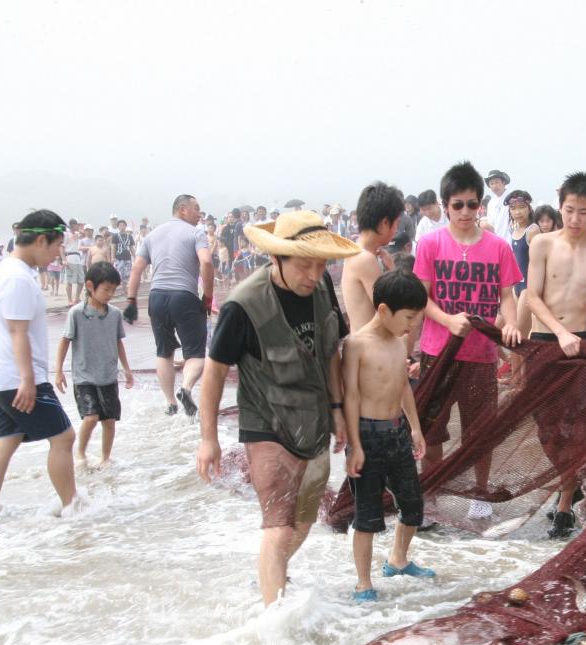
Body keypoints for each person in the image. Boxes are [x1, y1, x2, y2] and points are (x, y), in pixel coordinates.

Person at [196, 211, 356, 606]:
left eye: (321, 265)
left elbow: (333, 352)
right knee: (279, 526)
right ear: (276, 259)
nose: (314, 275)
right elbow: (214, 374)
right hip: (265, 422)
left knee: (303, 522)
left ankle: (269, 576)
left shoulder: (322, 290)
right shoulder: (243, 306)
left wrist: (337, 410)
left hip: (313, 417)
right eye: (304, 265)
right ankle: (274, 623)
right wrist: (208, 439)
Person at [414, 161, 522, 520]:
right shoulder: (430, 245)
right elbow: (422, 297)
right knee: (432, 433)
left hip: (481, 355)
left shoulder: (498, 248)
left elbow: (508, 295)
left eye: (472, 204)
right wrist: (446, 319)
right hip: (436, 353)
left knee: (480, 430)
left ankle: (480, 493)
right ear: (445, 205)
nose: (464, 212)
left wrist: (508, 322)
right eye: (457, 204)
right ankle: (430, 492)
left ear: (481, 206)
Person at [0, 210, 77, 522]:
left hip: (0, 378)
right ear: (40, 240)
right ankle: (73, 507)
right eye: (56, 246)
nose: (56, 254)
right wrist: (28, 380)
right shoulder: (17, 278)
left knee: (2, 446)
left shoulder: (4, 272)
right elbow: (16, 332)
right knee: (64, 439)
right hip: (19, 378)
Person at [521, 172, 586, 539]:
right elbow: (533, 296)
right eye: (569, 210)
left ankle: (563, 506)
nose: (574, 219)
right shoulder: (542, 243)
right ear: (560, 206)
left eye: (583, 212)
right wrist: (558, 333)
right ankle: (570, 481)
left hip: (580, 345)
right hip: (544, 340)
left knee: (575, 425)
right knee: (545, 426)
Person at [343, 269, 433, 602]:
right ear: (383, 310)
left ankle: (398, 559)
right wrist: (354, 446)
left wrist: (415, 427)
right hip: (367, 436)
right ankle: (363, 583)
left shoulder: (399, 342)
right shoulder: (356, 345)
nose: (412, 325)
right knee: (366, 516)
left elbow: (403, 387)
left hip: (397, 434)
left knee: (413, 505)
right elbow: (350, 396)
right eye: (408, 317)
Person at [124, 194, 215, 416]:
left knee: (163, 352)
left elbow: (137, 268)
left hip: (156, 297)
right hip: (184, 296)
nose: (199, 214)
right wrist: (208, 297)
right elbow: (206, 261)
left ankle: (170, 404)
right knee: (195, 354)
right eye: (196, 209)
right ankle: (185, 388)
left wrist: (131, 301)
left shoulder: (153, 235)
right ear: (182, 209)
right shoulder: (196, 233)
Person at [54, 262, 134, 467]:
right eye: (106, 289)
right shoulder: (77, 313)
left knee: (109, 421)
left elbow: (118, 342)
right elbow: (64, 341)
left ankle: (105, 458)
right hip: (84, 376)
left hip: (108, 375)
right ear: (90, 286)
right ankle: (80, 454)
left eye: (113, 290)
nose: (110, 294)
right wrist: (58, 371)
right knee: (90, 418)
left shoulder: (115, 314)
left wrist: (127, 369)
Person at [341, 181, 403, 330]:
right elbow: (390, 311)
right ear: (384, 223)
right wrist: (393, 269)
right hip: (369, 349)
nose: (396, 230)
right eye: (396, 223)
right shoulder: (365, 259)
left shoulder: (357, 250)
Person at [506, 189, 539, 295]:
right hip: (517, 284)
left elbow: (539, 263)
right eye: (513, 208)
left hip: (529, 287)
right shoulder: (515, 230)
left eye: (522, 207)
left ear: (529, 208)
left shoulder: (532, 231)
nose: (517, 212)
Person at [484, 169, 512, 241]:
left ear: (503, 182)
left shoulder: (512, 198)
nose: (495, 186)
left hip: (511, 240)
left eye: (497, 182)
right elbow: (491, 224)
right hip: (497, 241)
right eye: (492, 183)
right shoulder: (491, 203)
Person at [111, 218, 136, 285]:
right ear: (118, 227)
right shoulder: (115, 236)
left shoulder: (129, 236)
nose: (122, 227)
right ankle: (118, 288)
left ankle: (125, 290)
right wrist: (113, 257)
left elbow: (131, 248)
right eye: (120, 225)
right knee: (119, 274)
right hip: (118, 258)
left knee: (127, 275)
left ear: (125, 226)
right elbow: (113, 247)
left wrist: (135, 257)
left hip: (127, 257)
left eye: (123, 225)